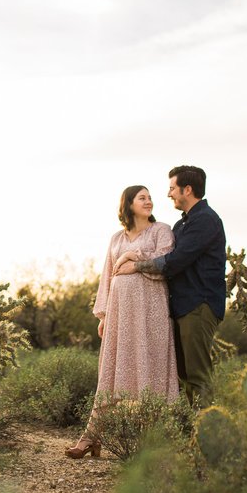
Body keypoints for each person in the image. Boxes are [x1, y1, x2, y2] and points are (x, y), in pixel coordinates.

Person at [65, 185, 178, 459]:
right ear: (128, 204)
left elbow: (166, 260)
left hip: (149, 313)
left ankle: (153, 441)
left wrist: (132, 256)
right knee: (109, 375)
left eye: (150, 198)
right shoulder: (116, 237)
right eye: (143, 198)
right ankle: (92, 436)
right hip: (119, 314)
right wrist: (103, 314)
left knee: (148, 373)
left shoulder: (161, 230)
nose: (149, 201)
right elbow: (107, 275)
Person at [115, 165, 226, 407]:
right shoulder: (181, 225)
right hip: (181, 307)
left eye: (172, 188)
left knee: (198, 374)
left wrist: (137, 265)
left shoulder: (206, 220)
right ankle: (190, 430)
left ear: (187, 189)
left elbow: (175, 262)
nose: (168, 194)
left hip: (199, 305)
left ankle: (208, 432)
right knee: (182, 375)